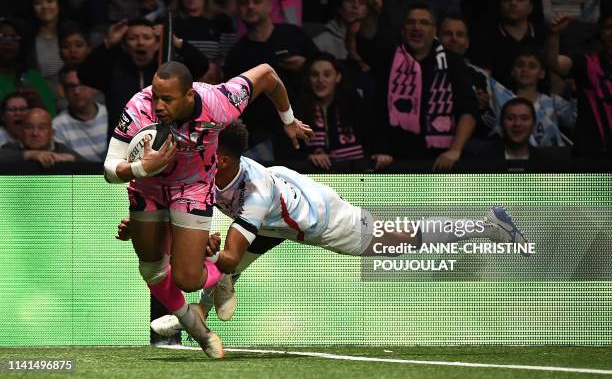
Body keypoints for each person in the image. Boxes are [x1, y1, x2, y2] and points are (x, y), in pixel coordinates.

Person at [113, 120, 528, 333]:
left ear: (221, 159)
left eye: (207, 150)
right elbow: (175, 209)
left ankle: (486, 225)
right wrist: (141, 226)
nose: (199, 152)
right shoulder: (212, 173)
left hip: (320, 219)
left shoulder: (254, 194)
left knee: (400, 240)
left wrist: (206, 250)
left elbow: (231, 250)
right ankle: (197, 316)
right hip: (279, 212)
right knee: (229, 265)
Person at [103, 60, 313, 358]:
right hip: (147, 187)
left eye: (168, 99)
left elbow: (267, 74)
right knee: (151, 269)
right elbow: (109, 168)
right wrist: (140, 167)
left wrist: (288, 119)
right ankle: (200, 333)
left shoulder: (219, 102)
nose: (158, 105)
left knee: (187, 279)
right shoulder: (138, 108)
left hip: (192, 187)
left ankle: (222, 274)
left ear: (189, 95)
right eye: (156, 96)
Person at [360, 2, 479, 171]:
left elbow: (469, 109)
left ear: (434, 31)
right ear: (403, 30)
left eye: (424, 23)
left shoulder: (453, 63)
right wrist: (372, 13)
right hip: (393, 162)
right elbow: (365, 42)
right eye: (411, 22)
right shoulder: (388, 58)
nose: (416, 27)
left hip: (440, 163)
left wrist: (455, 151)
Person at [224, 0, 318, 160]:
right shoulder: (236, 54)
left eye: (257, 1)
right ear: (238, 10)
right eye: (245, 3)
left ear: (269, 6)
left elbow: (324, 67)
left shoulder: (293, 34)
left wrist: (306, 65)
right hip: (260, 138)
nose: (250, 6)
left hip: (304, 127)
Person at [78, 18, 209, 132]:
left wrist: (173, 40)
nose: (140, 42)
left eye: (147, 38)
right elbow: (84, 74)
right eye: (132, 38)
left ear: (157, 44)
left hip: (161, 148)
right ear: (124, 46)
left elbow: (201, 65)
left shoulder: (168, 71)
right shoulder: (113, 71)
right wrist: (107, 44)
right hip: (122, 149)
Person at [298, 52, 392, 171]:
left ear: (337, 77)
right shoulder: (299, 109)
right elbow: (292, 149)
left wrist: (382, 153)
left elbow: (374, 134)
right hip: (315, 177)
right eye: (315, 75)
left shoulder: (354, 104)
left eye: (327, 75)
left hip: (355, 175)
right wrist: (309, 157)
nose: (320, 80)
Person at [545, 12, 612, 157]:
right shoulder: (587, 63)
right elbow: (553, 64)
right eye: (608, 27)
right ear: (601, 33)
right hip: (591, 154)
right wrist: (554, 35)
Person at [169, 0, 236, 84]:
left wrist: (218, 71)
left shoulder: (222, 20)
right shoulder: (171, 21)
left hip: (213, 84)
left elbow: (228, 57)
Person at [53, 67, 109, 161]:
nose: (77, 91)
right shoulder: (57, 126)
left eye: (82, 84)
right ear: (63, 91)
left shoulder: (112, 114)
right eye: (71, 86)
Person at [0, 107, 85, 167]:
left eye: (42, 128)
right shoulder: (11, 148)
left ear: (52, 133)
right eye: (29, 127)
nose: (35, 133)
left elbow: (92, 168)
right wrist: (31, 154)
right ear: (21, 132)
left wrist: (72, 158)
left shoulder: (60, 148)